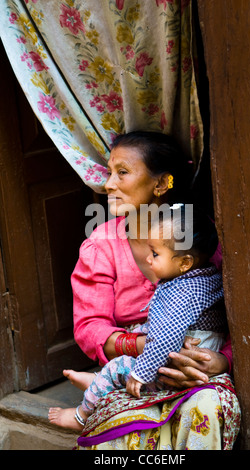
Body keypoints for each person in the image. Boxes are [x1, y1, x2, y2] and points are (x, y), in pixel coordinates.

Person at [49, 131, 240, 449]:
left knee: (208, 407)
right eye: (110, 172)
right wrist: (151, 348)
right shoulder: (101, 245)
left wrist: (221, 361)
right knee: (125, 436)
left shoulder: (200, 237)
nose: (109, 184)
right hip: (136, 372)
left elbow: (234, 312)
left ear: (162, 183)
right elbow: (90, 328)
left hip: (196, 371)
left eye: (122, 172)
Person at [48, 204, 228, 430]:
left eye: (155, 254)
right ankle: (101, 382)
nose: (149, 259)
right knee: (137, 332)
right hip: (198, 345)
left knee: (118, 367)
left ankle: (81, 414)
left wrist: (141, 373)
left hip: (178, 367)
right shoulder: (206, 277)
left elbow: (165, 339)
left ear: (184, 263)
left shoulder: (181, 293)